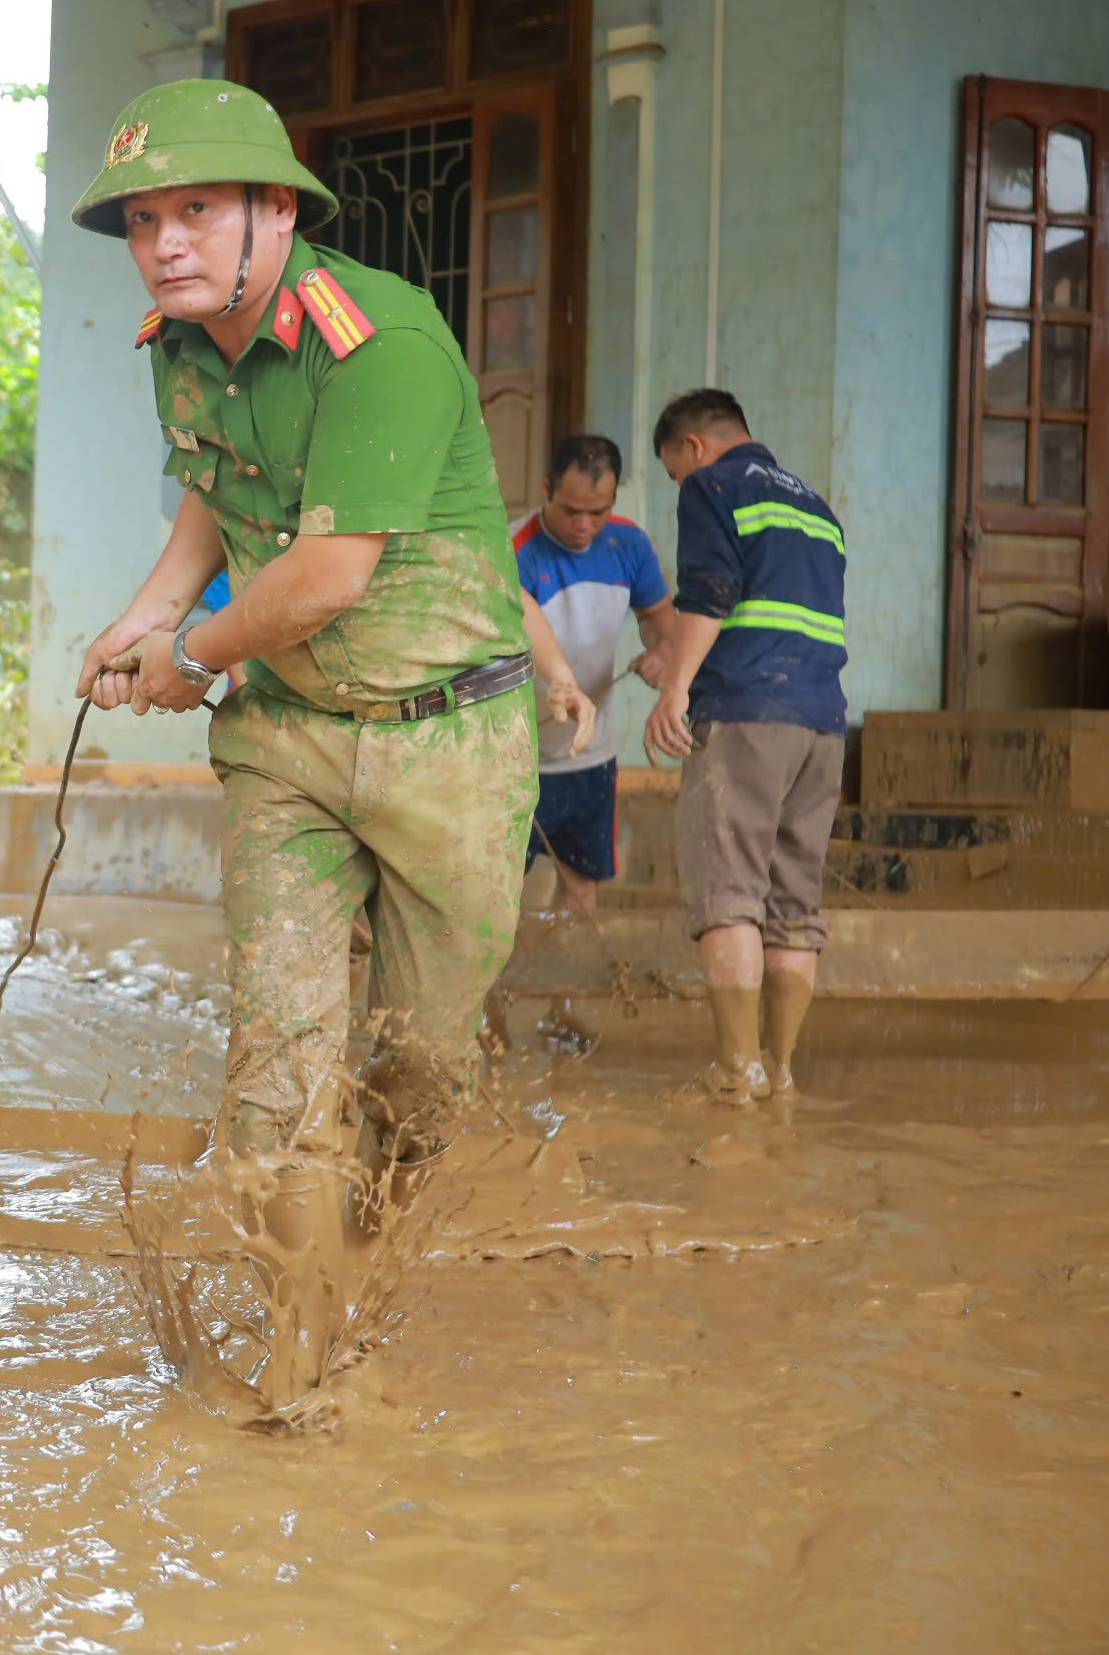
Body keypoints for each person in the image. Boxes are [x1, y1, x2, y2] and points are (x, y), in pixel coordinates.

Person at [69, 79, 559, 1399]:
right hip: (287, 738)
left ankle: (376, 1261)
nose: (164, 242)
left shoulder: (379, 341)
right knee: (278, 1066)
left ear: (276, 211)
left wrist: (189, 658)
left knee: (422, 1073)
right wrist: (150, 611)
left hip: (448, 738)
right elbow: (214, 496)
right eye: (143, 220)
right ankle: (302, 1359)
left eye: (195, 210)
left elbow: (332, 570)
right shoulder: (181, 343)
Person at [643, 389, 848, 1104]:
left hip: (745, 715)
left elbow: (710, 592)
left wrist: (675, 687)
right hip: (822, 722)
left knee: (728, 894)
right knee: (794, 903)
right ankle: (780, 1070)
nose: (680, 483)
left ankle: (735, 1071)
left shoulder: (713, 485)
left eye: (673, 470)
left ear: (693, 448)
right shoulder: (817, 507)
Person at [512, 435, 679, 909]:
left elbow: (660, 622)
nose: (585, 526)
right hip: (519, 759)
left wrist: (661, 655)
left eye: (599, 512)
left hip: (592, 757)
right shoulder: (515, 550)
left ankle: (560, 981)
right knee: (500, 892)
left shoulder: (629, 543)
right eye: (570, 511)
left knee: (582, 887)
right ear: (546, 489)